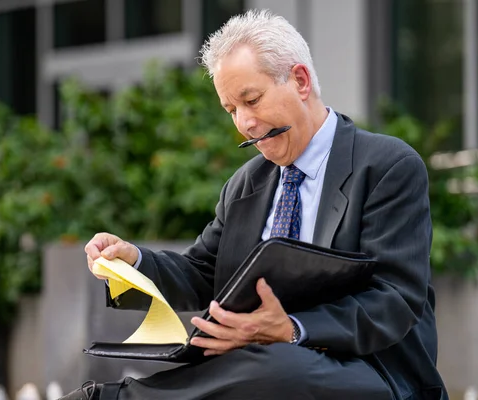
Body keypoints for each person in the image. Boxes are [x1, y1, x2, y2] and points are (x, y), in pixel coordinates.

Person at [60, 9, 448, 400]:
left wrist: (291, 328)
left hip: (371, 372)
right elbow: (202, 272)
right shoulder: (245, 183)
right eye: (232, 110)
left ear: (300, 80)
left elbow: (395, 298)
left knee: (278, 368)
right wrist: (135, 263)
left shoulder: (387, 166)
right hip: (261, 365)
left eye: (252, 100)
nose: (244, 123)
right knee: (260, 366)